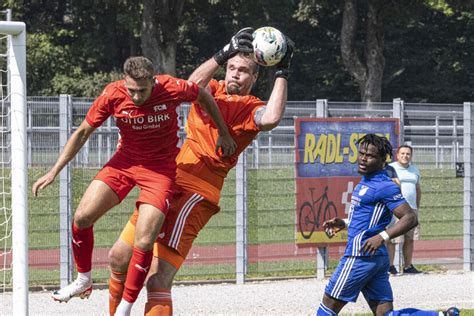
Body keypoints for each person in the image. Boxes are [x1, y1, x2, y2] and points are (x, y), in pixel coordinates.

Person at [106, 27, 294, 315]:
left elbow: (271, 117)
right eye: (232, 67)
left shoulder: (250, 107)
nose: (234, 74)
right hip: (167, 182)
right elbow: (192, 83)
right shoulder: (213, 90)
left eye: (243, 71)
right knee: (118, 256)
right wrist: (224, 52)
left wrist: (282, 72)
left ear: (255, 77)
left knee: (157, 279)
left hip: (196, 195)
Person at [32, 56, 237, 307]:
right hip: (124, 163)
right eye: (131, 90)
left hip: (159, 172)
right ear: (124, 82)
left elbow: (203, 95)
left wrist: (223, 133)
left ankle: (125, 310)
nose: (137, 96)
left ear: (153, 81)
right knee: (82, 217)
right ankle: (83, 279)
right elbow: (83, 131)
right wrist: (54, 171)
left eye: (142, 90)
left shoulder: (171, 87)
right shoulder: (113, 94)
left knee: (143, 241)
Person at [319, 134, 418, 315]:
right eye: (361, 153)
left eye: (370, 155)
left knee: (328, 305)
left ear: (382, 160)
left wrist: (383, 237)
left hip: (360, 255)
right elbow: (370, 219)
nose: (363, 158)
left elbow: (410, 218)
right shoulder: (366, 182)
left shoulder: (384, 185)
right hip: (376, 258)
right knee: (385, 314)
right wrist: (345, 222)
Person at [388, 145, 422, 274]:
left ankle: (407, 266)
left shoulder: (414, 170)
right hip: (397, 209)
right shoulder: (391, 168)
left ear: (411, 156)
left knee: (410, 238)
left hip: (411, 208)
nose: (405, 156)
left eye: (408, 154)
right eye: (402, 153)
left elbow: (418, 189)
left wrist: (417, 206)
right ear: (397, 155)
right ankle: (390, 266)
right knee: (393, 238)